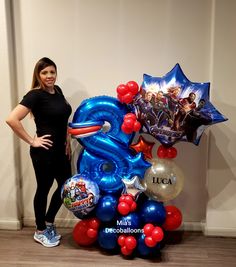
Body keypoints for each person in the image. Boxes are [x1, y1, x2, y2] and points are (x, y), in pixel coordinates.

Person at [6, 57, 72, 247]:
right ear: (38, 74)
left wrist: (66, 139)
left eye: (52, 72)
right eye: (45, 73)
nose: (49, 76)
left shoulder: (57, 91)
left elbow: (62, 119)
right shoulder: (35, 95)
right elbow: (12, 119)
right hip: (44, 152)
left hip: (61, 150)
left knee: (65, 187)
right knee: (43, 188)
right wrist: (32, 140)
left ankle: (49, 221)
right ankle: (40, 230)